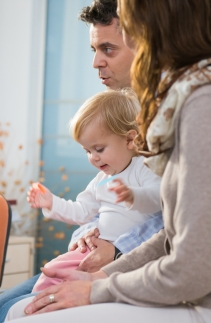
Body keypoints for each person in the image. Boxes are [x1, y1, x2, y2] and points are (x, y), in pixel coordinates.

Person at [3, 0, 211, 321]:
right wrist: (101, 277)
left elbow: (193, 269)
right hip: (192, 292)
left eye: (129, 30)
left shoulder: (209, 103)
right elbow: (173, 237)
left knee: (24, 316)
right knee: (22, 309)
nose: (128, 40)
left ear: (156, 32)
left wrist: (98, 288)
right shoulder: (191, 99)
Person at [0, 1, 164, 322]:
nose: (96, 62)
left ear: (144, 46)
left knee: (10, 314)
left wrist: (116, 250)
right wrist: (89, 233)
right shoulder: (109, 113)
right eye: (93, 49)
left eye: (108, 50)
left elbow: (173, 217)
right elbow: (100, 205)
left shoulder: (169, 119)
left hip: (132, 266)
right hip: (95, 256)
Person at [28, 89, 161, 293]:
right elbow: (82, 211)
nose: (93, 158)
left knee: (54, 276)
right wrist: (51, 202)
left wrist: (133, 196)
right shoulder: (101, 180)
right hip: (94, 252)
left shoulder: (143, 167)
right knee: (51, 274)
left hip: (126, 260)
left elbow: (160, 199)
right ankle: (41, 308)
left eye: (99, 149)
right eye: (87, 151)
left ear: (129, 140)